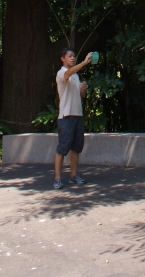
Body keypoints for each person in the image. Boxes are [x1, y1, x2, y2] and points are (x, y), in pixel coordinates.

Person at [53, 47, 93, 190]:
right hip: (66, 116)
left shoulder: (76, 76)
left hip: (78, 115)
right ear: (62, 59)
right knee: (63, 148)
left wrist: (82, 90)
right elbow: (68, 74)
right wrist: (84, 63)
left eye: (73, 56)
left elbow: (81, 96)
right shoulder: (62, 73)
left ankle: (73, 175)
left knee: (76, 147)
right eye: (69, 56)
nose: (72, 58)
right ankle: (57, 179)